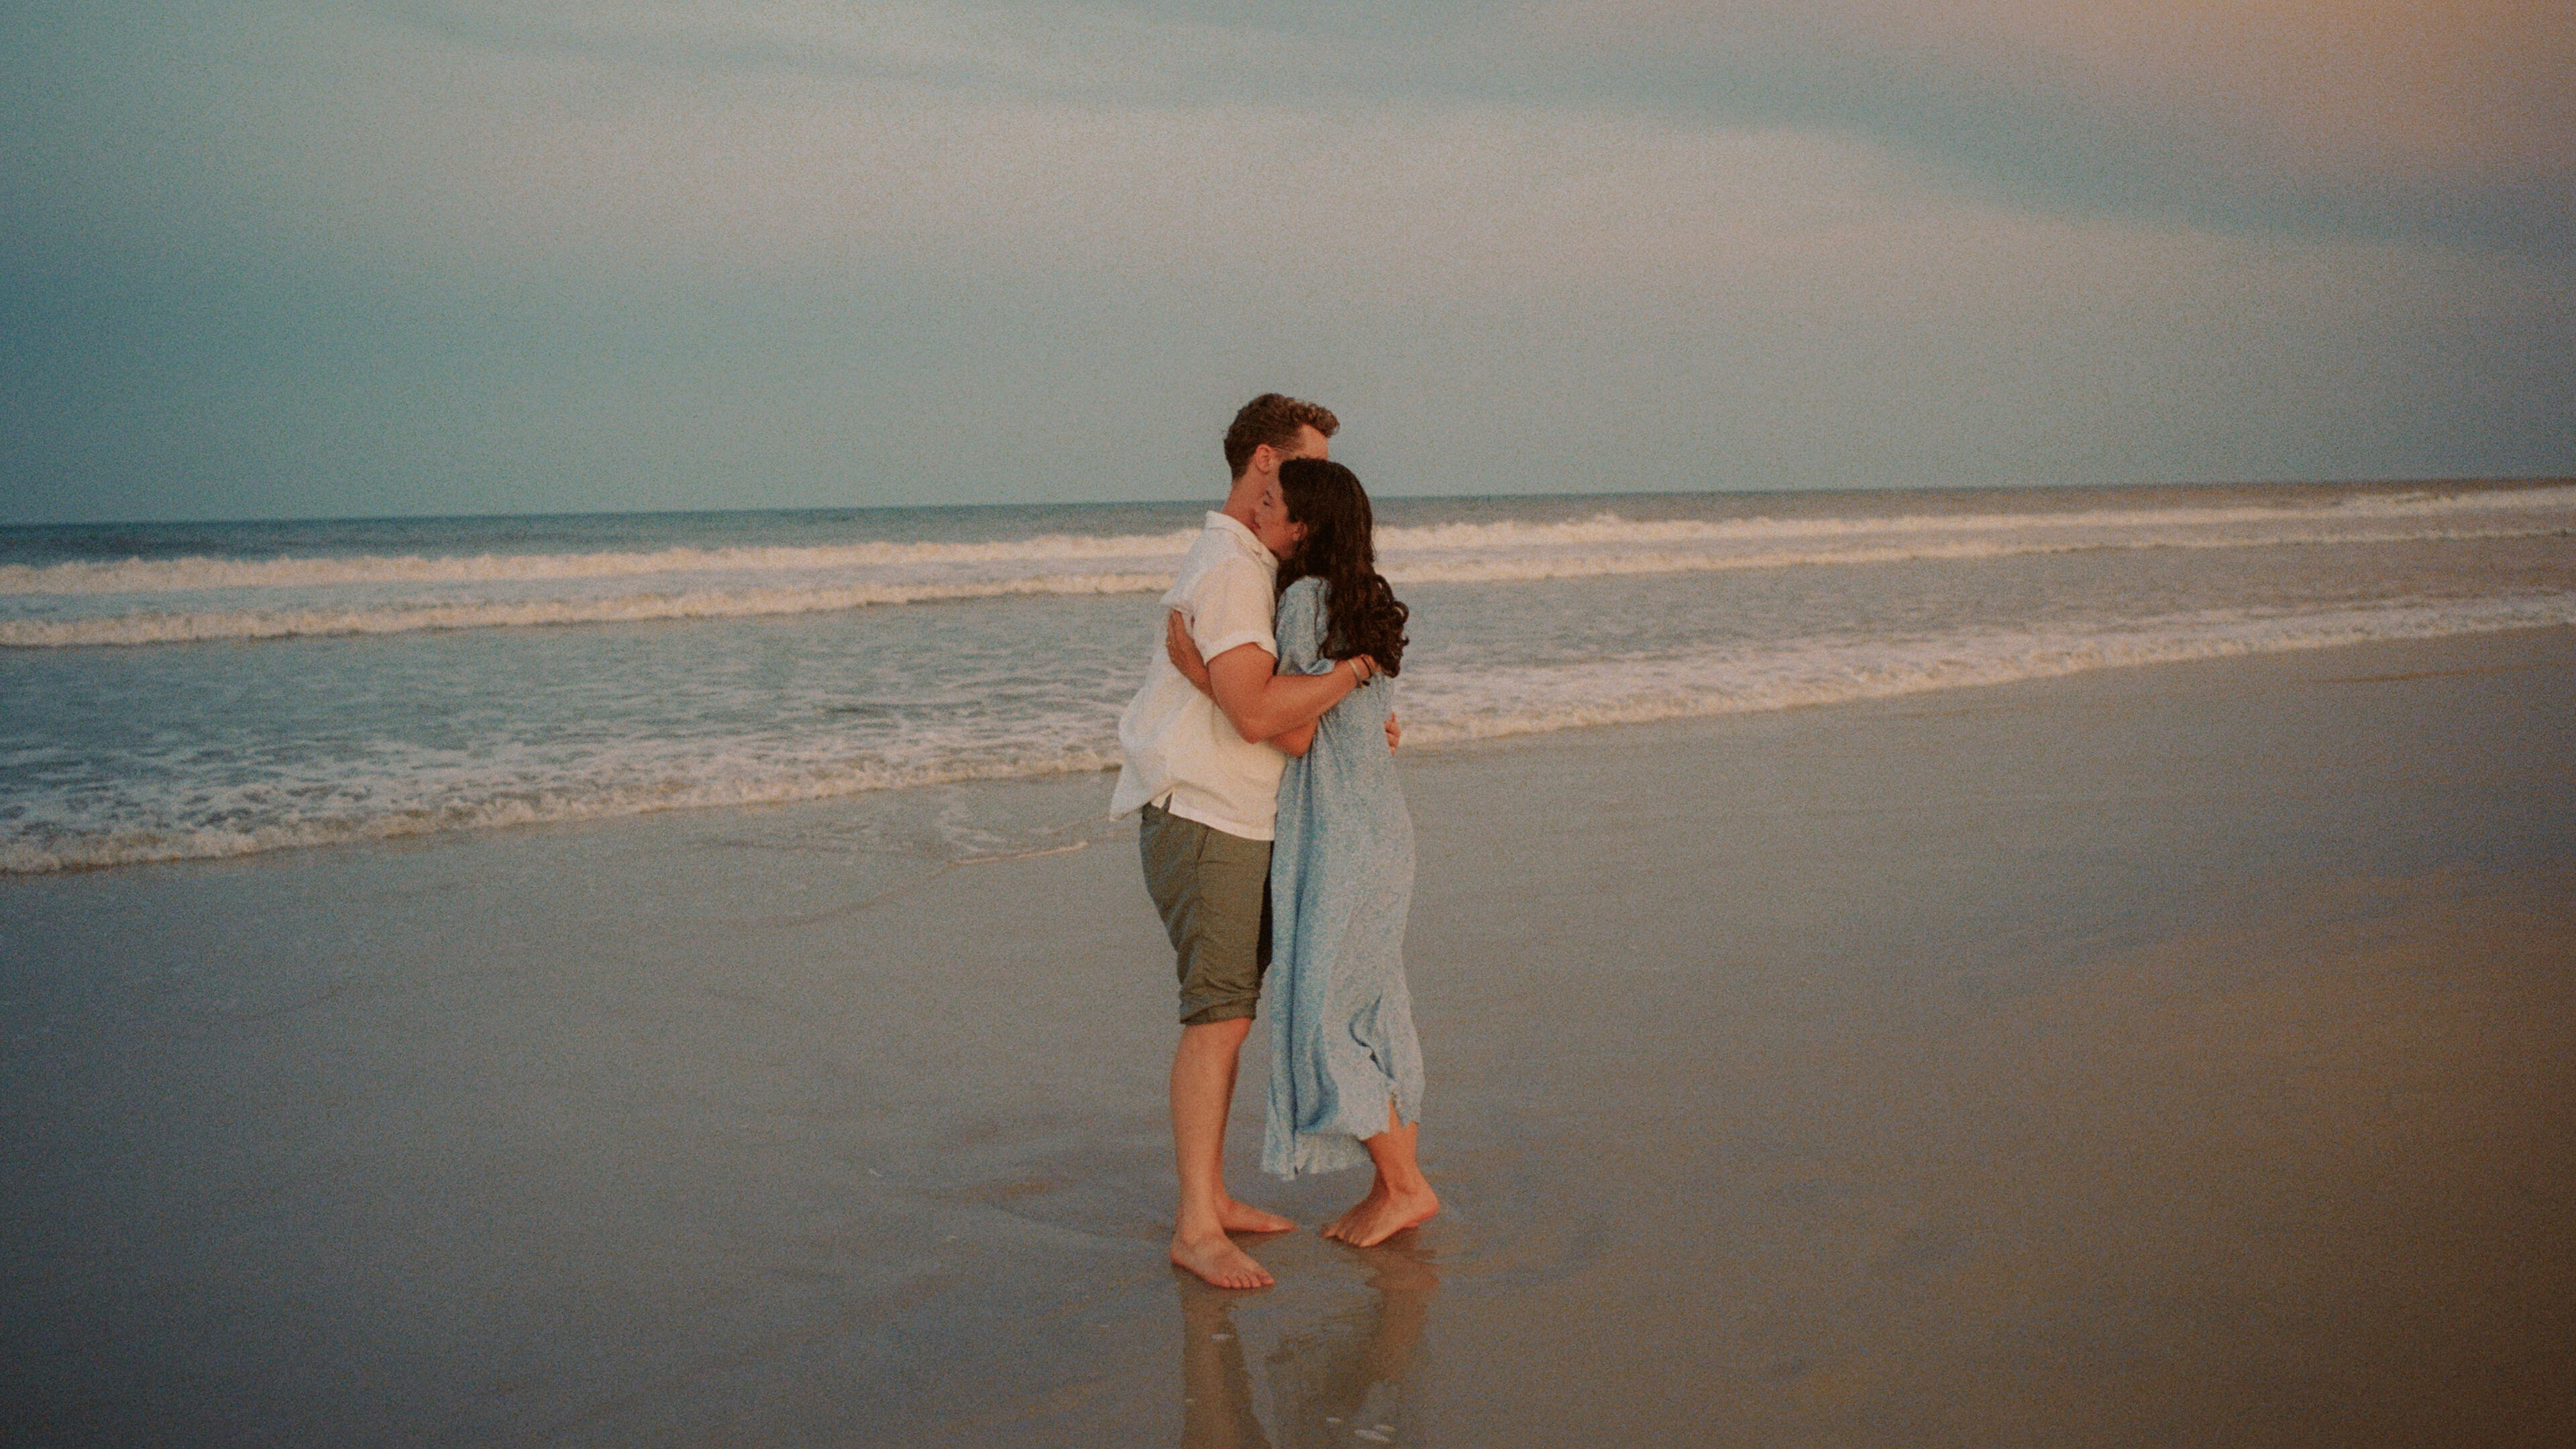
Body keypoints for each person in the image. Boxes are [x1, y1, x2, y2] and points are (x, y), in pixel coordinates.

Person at [1110, 393, 1382, 1290]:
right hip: (1206, 817)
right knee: (1217, 1018)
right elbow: (1267, 716)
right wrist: (1351, 678)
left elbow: (1280, 711)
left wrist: (1352, 716)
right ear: (1267, 463)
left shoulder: (1258, 566)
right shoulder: (1232, 570)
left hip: (1234, 815)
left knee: (1229, 1015)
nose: (1314, 489)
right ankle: (1196, 1225)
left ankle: (1213, 1196)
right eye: (1305, 468)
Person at [1167, 456, 1436, 1249]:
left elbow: (1289, 732)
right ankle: (1396, 1186)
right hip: (1382, 830)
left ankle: (1406, 1186)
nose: (1260, 511)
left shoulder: (1304, 601)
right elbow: (1365, 722)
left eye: (1274, 502)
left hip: (1337, 835)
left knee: (1326, 1017)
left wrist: (1200, 674)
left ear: (1305, 526)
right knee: (1373, 1010)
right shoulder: (1364, 599)